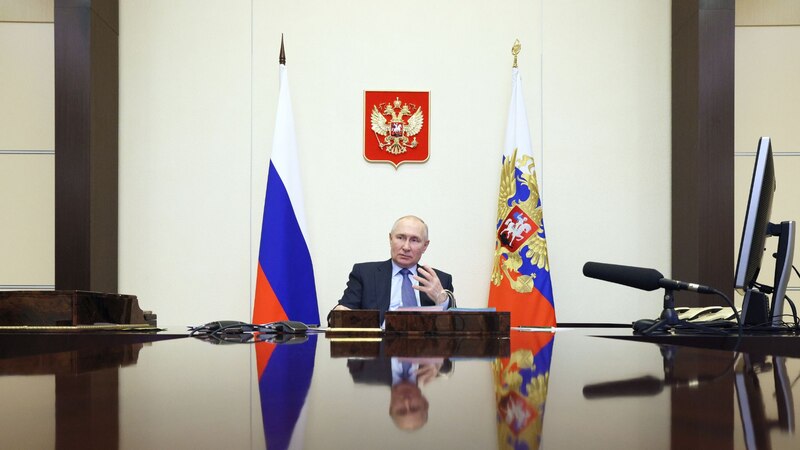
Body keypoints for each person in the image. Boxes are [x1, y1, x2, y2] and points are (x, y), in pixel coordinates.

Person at [332, 215, 455, 321]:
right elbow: (339, 315)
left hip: (425, 347)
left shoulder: (439, 280)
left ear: (425, 246)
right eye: (400, 237)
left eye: (414, 240)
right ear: (390, 239)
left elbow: (455, 327)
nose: (406, 247)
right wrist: (339, 315)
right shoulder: (365, 274)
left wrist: (442, 300)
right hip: (378, 346)